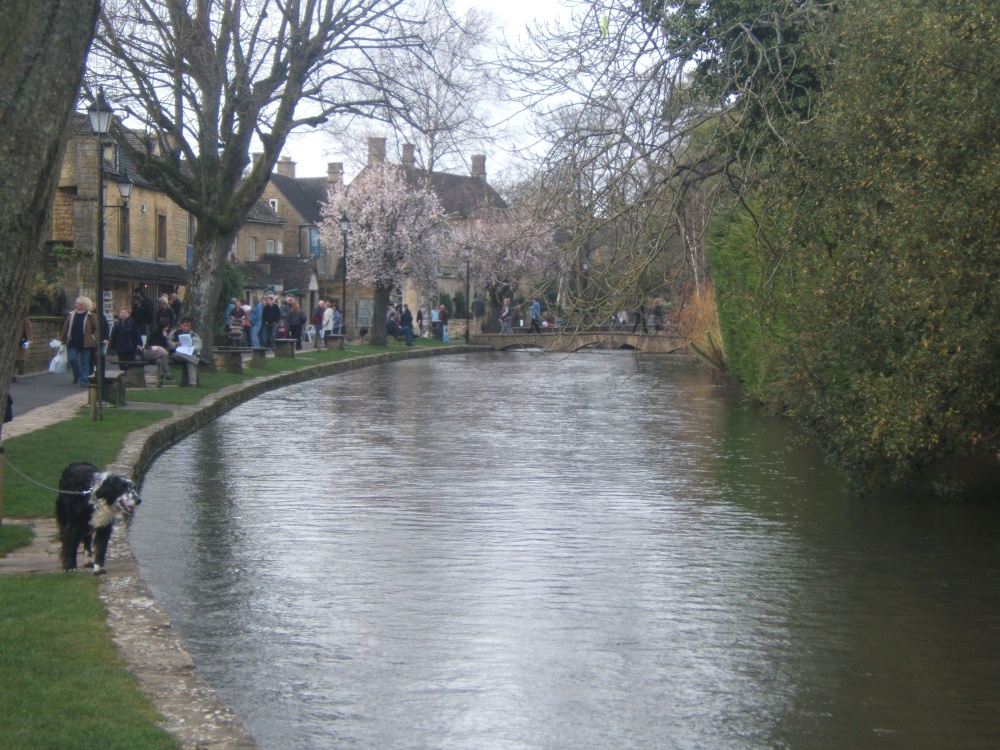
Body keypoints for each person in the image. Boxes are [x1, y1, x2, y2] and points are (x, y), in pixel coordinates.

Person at [60, 296, 98, 387]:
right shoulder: (72, 314)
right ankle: (77, 375)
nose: (76, 305)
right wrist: (62, 339)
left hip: (87, 343)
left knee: (85, 363)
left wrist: (93, 337)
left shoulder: (91, 316)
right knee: (72, 359)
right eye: (76, 303)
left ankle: (84, 381)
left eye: (78, 304)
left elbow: (97, 328)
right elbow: (65, 327)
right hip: (73, 342)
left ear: (84, 306)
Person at [168, 317, 203, 386]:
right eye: (184, 326)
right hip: (177, 354)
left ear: (191, 326)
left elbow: (199, 345)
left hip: (188, 354)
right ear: (181, 325)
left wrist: (192, 348)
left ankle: (192, 383)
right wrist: (175, 344)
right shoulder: (175, 332)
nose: (186, 328)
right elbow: (168, 341)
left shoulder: (193, 335)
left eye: (188, 326)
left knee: (191, 362)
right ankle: (197, 360)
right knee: (182, 355)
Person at [143, 316, 175, 387]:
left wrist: (165, 337)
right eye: (166, 326)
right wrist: (163, 338)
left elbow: (164, 347)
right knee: (163, 355)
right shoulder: (154, 333)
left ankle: (160, 380)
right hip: (149, 352)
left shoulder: (164, 334)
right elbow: (153, 345)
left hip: (158, 355)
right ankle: (167, 373)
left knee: (159, 361)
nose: (167, 328)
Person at [13, 318, 33, 382]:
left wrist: (29, 339)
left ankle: (14, 375)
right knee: (17, 359)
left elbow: (28, 328)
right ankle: (14, 375)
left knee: (17, 360)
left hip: (19, 340)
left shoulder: (23, 318)